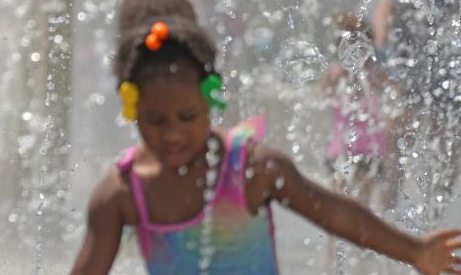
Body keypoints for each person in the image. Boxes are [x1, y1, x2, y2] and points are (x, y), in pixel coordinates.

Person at [69, 15, 461, 275]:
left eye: (187, 116)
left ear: (211, 100)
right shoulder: (121, 193)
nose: (172, 133)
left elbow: (333, 213)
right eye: (155, 120)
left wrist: (413, 250)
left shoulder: (252, 169)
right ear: (132, 109)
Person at [371, 0, 461, 223]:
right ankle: (387, 206)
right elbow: (385, 4)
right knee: (397, 126)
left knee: (449, 142)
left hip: (450, 67)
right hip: (406, 56)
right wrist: (381, 55)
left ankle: (435, 217)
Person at [322, 13, 396, 274]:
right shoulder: (376, 75)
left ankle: (334, 263)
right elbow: (394, 98)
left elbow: (324, 91)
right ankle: (362, 265)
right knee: (362, 211)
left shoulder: (333, 74)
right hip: (370, 150)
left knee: (337, 210)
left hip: (342, 150)